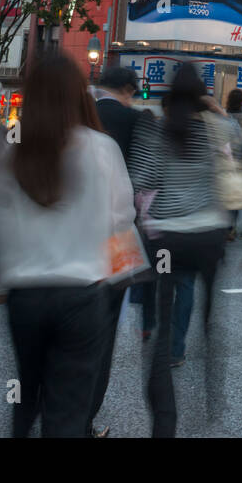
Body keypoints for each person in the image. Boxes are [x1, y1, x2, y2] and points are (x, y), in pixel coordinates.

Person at [0, 55, 134, 437]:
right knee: (66, 411)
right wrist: (121, 278)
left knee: (27, 395)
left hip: (25, 297)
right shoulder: (101, 148)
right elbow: (121, 221)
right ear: (77, 97)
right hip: (82, 295)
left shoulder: (10, 150)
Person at [128, 64, 231, 437]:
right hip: (207, 238)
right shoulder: (212, 129)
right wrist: (216, 109)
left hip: (168, 240)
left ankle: (164, 421)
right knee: (210, 321)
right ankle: (211, 401)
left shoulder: (154, 128)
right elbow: (232, 163)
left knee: (161, 316)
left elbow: (143, 179)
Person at [90, 66, 149, 435]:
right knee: (105, 330)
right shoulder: (134, 121)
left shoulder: (79, 115)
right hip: (116, 236)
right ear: (128, 89)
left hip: (71, 235)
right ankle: (86, 418)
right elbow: (143, 179)